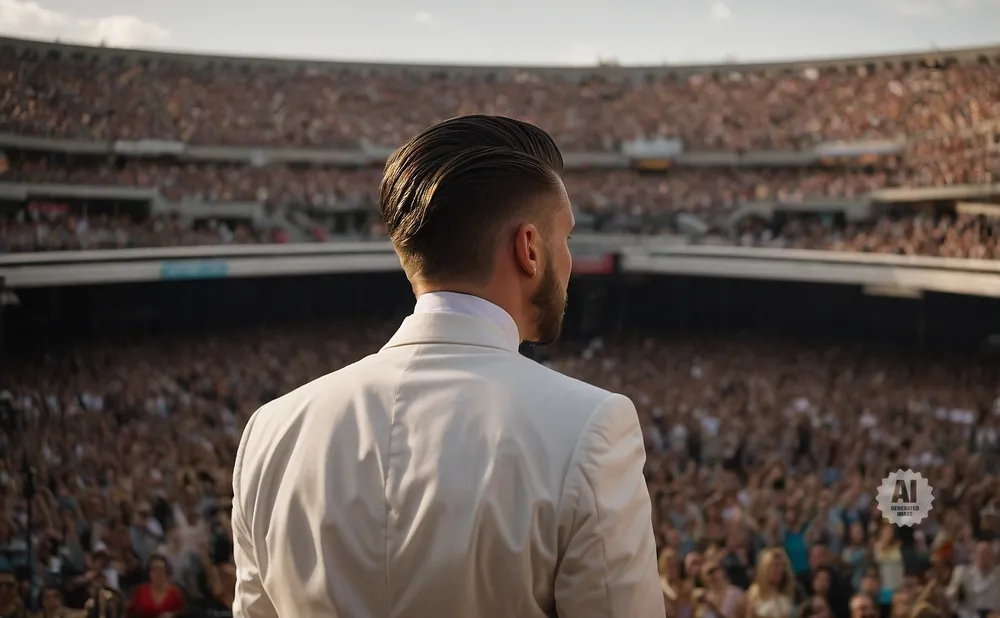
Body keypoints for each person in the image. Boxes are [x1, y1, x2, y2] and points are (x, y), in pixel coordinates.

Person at [231, 115, 662, 618]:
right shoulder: (591, 427)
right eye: (563, 238)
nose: (568, 260)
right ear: (529, 248)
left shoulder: (271, 430)